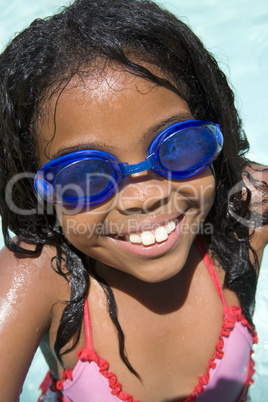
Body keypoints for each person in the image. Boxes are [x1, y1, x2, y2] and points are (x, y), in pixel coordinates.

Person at [0, 0, 267, 401]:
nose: (145, 195)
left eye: (178, 145)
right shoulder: (42, 276)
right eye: (85, 174)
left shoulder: (244, 213)